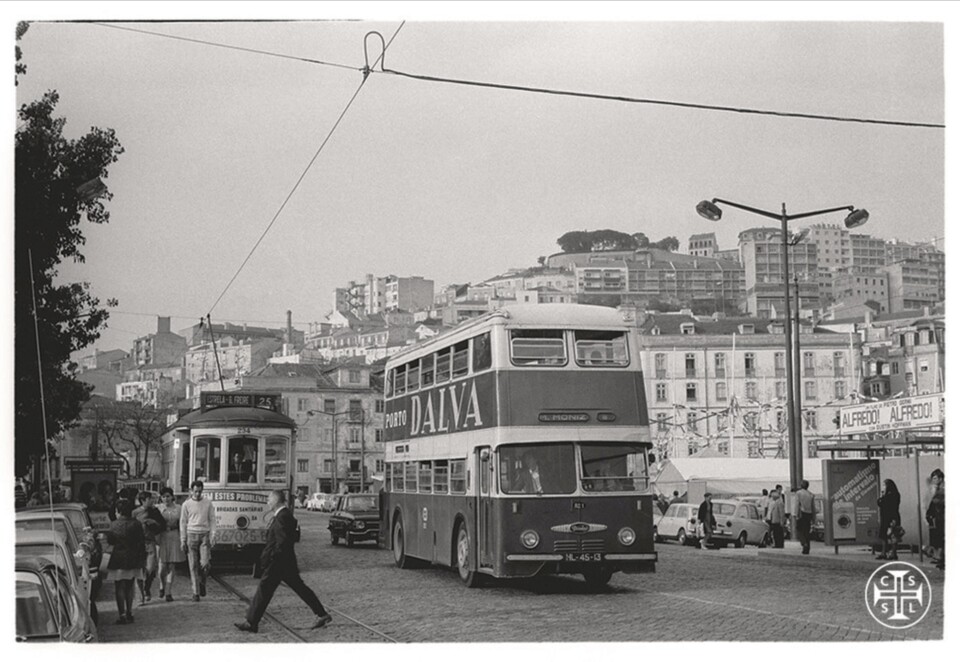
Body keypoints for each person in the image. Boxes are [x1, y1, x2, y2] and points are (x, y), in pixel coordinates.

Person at [235, 490, 333, 633]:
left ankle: (251, 623)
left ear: (276, 501)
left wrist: (272, 558)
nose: (268, 502)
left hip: (278, 562)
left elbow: (282, 542)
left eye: (269, 499)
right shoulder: (283, 515)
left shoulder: (282, 517)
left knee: (264, 590)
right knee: (300, 588)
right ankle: (322, 614)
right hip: (285, 562)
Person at [106, 499, 146, 625]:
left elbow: (110, 541)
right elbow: (141, 541)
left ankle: (121, 614)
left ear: (119, 511)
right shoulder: (136, 524)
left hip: (118, 558)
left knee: (119, 586)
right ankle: (129, 612)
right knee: (130, 585)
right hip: (133, 558)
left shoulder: (114, 524)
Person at [180, 480, 217, 602]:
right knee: (193, 565)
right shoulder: (186, 504)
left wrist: (213, 535)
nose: (197, 494)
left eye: (200, 491)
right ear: (191, 491)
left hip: (204, 535)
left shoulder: (208, 503)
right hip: (191, 535)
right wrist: (183, 539)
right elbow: (183, 523)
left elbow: (212, 519)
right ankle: (195, 592)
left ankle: (202, 582)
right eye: (195, 491)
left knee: (205, 564)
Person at [133, 491, 165, 603]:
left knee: (151, 568)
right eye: (149, 499)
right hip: (138, 543)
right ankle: (141, 595)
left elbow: (162, 525)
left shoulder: (155, 511)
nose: (152, 501)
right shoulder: (135, 512)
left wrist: (154, 522)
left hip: (150, 542)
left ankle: (147, 587)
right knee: (139, 569)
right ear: (143, 500)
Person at [156, 487, 186, 601]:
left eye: (168, 496)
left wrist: (183, 538)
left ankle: (168, 591)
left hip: (174, 536)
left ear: (172, 496)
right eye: (163, 496)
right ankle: (161, 584)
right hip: (162, 536)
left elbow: (183, 522)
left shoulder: (179, 508)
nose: (166, 499)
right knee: (162, 566)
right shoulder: (158, 508)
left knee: (172, 565)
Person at [877, 479, 902, 561]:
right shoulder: (886, 495)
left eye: (884, 485)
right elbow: (879, 502)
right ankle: (884, 552)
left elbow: (886, 504)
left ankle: (893, 553)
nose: (883, 487)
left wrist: (893, 519)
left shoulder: (894, 495)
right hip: (885, 517)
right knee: (883, 535)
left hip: (892, 517)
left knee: (893, 535)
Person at [925, 469, 944, 570]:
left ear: (940, 479)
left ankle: (940, 557)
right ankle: (938, 556)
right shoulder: (935, 489)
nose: (934, 480)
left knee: (940, 537)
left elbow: (938, 502)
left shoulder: (942, 490)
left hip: (941, 517)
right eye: (933, 478)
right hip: (935, 517)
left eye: (935, 478)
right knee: (936, 537)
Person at [795, 480, 816, 555]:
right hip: (809, 513)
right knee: (807, 531)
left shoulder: (799, 493)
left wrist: (796, 514)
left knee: (799, 530)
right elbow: (813, 506)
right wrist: (814, 517)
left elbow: (797, 504)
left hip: (802, 513)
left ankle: (804, 543)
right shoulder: (811, 494)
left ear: (801, 485)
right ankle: (807, 548)